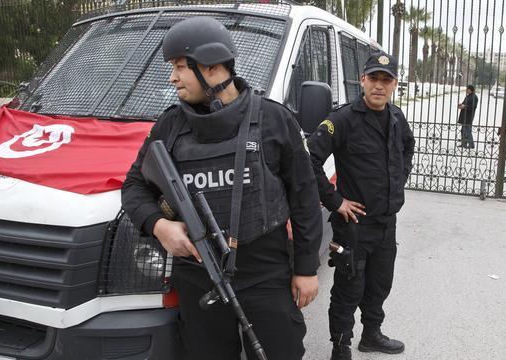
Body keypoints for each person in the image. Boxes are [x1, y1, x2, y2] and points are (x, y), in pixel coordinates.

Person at [121, 17, 322, 360]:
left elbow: (304, 197)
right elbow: (134, 187)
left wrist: (306, 268)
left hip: (265, 272)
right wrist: (159, 225)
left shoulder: (273, 119)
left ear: (212, 67)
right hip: (198, 276)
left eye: (180, 67)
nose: (173, 78)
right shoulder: (170, 125)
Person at [308, 51, 415, 360]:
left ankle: (371, 334)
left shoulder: (396, 117)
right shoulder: (342, 120)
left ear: (394, 84)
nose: (379, 86)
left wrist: (400, 178)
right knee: (348, 289)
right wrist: (335, 200)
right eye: (374, 79)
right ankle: (340, 347)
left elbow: (408, 146)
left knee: (379, 284)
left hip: (386, 222)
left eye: (386, 80)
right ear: (363, 80)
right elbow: (309, 159)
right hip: (354, 226)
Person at [457, 84, 478, 149]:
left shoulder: (474, 97)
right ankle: (464, 144)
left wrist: (464, 106)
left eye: (467, 89)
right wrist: (461, 105)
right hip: (464, 116)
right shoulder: (468, 96)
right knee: (463, 130)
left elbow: (473, 107)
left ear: (470, 90)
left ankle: (471, 145)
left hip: (469, 116)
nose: (466, 90)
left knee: (467, 131)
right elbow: (464, 103)